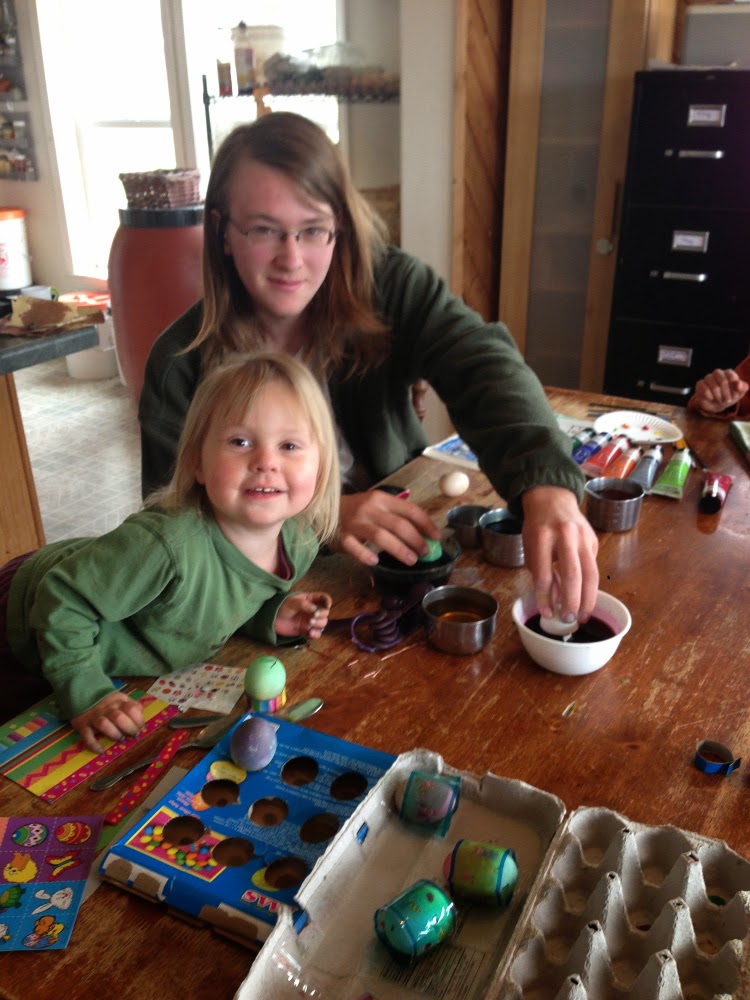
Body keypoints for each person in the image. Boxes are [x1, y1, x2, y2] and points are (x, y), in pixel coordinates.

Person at [139, 112, 599, 625]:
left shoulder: (392, 286)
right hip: (262, 601)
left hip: (400, 555)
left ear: (339, 226)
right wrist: (322, 518)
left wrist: (547, 483)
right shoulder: (179, 365)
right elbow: (172, 537)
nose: (292, 259)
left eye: (313, 230)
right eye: (265, 230)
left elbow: (481, 361)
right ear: (222, 231)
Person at [1, 353, 339, 751]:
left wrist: (269, 613)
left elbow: (222, 596)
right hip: (26, 618)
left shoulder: (299, 542)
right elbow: (62, 598)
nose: (266, 462)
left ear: (321, 465)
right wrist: (87, 692)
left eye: (289, 445)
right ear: (198, 462)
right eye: (240, 442)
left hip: (88, 607)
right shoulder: (168, 544)